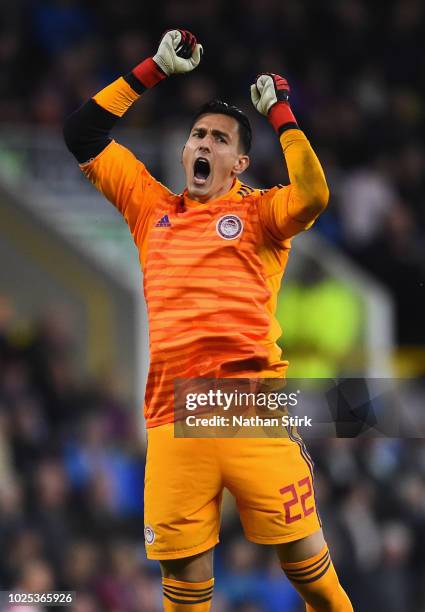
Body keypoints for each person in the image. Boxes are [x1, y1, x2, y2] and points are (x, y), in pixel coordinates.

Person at [64, 29, 352, 612]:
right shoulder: (151, 209)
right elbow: (82, 134)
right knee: (186, 592)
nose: (204, 143)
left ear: (239, 162)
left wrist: (282, 114)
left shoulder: (261, 212)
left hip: (252, 411)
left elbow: (315, 194)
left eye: (219, 139)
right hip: (174, 419)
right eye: (198, 134)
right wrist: (152, 70)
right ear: (184, 150)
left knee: (313, 578)